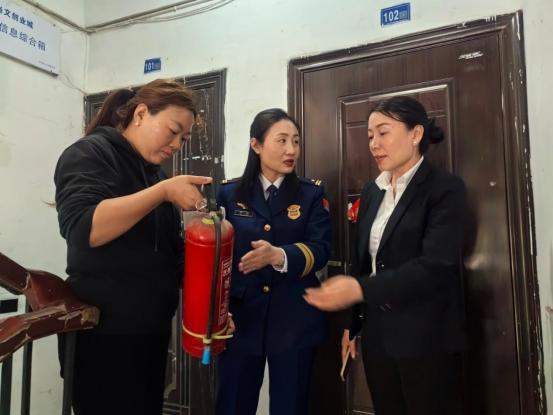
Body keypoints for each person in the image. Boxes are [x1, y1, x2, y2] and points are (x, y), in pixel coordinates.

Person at [54, 79, 232, 415]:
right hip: (103, 338)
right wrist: (163, 193)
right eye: (173, 131)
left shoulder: (155, 177)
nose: (176, 144)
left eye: (184, 139)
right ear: (140, 114)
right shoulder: (90, 154)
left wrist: (214, 307)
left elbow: (172, 260)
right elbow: (83, 229)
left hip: (150, 335)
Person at [304, 96, 465, 415]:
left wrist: (359, 289)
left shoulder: (444, 189)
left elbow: (436, 266)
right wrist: (353, 325)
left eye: (383, 132)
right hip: (379, 336)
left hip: (427, 337)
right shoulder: (372, 191)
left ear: (415, 134)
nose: (374, 144)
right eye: (369, 136)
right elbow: (363, 262)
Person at [215, 108, 331, 415]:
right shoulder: (229, 194)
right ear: (256, 144)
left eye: (296, 141)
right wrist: (216, 312)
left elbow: (321, 250)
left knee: (290, 406)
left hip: (294, 319)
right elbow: (217, 258)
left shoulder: (311, 194)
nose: (291, 150)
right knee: (233, 404)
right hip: (240, 320)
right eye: (282, 140)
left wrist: (278, 256)